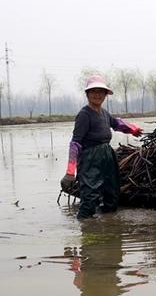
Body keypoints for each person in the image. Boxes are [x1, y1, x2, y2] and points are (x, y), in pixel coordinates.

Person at [61, 75, 142, 218]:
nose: (97, 95)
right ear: (87, 94)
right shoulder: (84, 115)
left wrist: (133, 129)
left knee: (112, 194)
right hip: (90, 160)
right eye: (93, 91)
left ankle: (107, 227)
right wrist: (70, 172)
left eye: (101, 92)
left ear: (105, 95)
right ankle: (86, 228)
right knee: (89, 197)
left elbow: (117, 123)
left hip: (107, 157)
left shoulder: (104, 113)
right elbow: (75, 143)